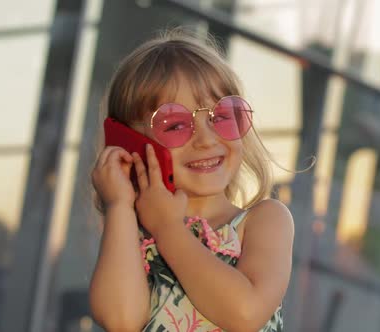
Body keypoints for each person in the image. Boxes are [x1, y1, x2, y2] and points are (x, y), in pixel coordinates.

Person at [89, 29, 294, 332]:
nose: (206, 139)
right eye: (174, 125)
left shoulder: (265, 221)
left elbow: (246, 313)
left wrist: (169, 229)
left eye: (221, 116)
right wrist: (119, 206)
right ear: (130, 142)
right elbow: (120, 321)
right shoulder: (133, 236)